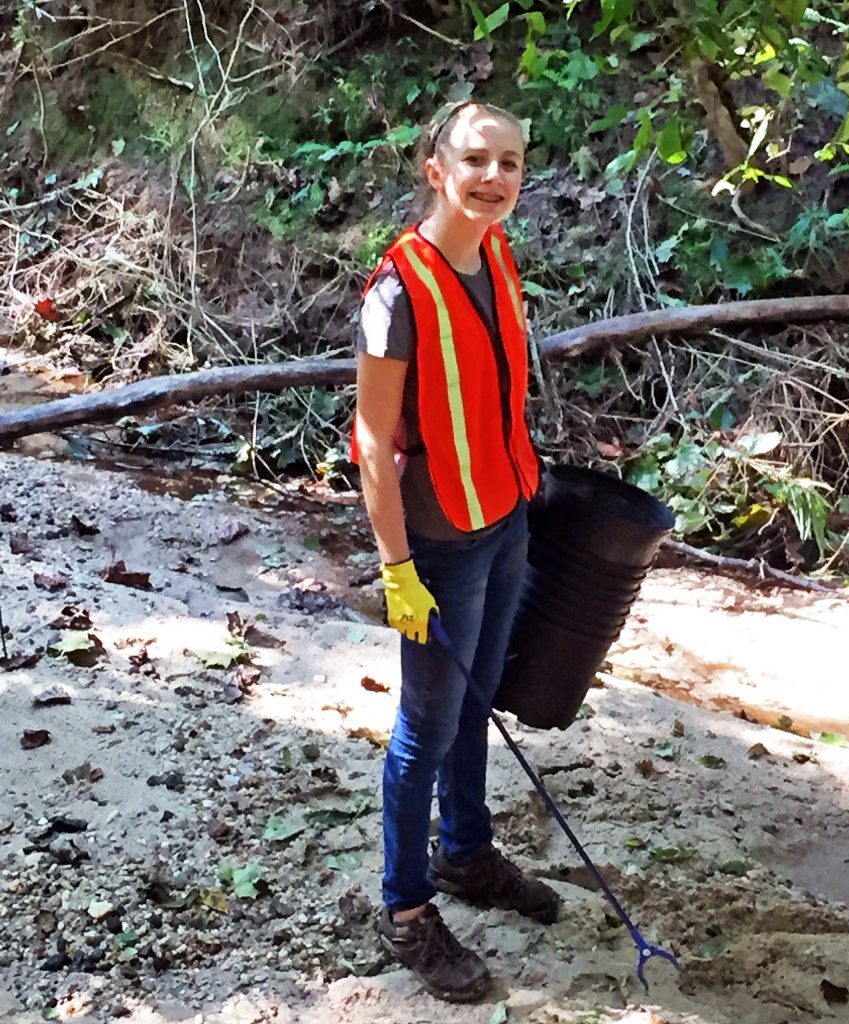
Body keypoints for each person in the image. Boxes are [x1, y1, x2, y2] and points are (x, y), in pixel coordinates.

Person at [352, 100, 561, 1004]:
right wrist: (396, 567)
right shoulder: (397, 291)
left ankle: (467, 856)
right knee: (426, 729)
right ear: (436, 167)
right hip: (439, 544)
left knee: (479, 701)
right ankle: (405, 911)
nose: (496, 177)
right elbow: (370, 441)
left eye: (511, 162)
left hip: (505, 518)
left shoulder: (497, 253)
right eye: (477, 159)